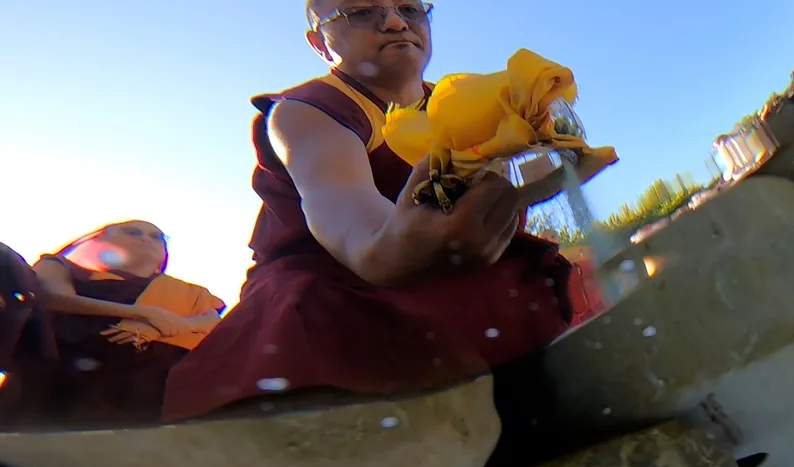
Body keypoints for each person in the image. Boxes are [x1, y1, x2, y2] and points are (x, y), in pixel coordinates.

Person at [161, 0, 591, 426]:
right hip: (333, 285)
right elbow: (361, 235)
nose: (395, 23)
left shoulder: (465, 106)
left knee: (548, 281)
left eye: (409, 9)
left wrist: (558, 163)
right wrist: (396, 249)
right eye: (362, 13)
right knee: (312, 316)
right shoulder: (307, 111)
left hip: (454, 272)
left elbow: (503, 188)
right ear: (320, 44)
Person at [0, 221, 225, 429]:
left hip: (149, 394)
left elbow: (212, 322)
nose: (146, 239)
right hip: (62, 381)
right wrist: (143, 314)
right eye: (133, 232)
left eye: (156, 237)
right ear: (100, 241)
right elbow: (55, 298)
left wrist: (161, 328)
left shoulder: (189, 292)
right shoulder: (61, 267)